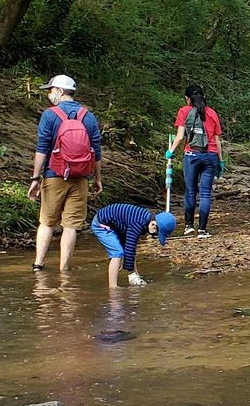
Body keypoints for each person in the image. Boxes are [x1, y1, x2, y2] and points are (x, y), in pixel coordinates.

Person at [27, 75, 103, 273]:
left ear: (60, 91)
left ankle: (38, 265)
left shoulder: (50, 115)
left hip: (54, 174)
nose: (49, 94)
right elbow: (96, 151)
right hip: (81, 177)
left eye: (51, 90)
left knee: (46, 222)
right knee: (70, 226)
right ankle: (64, 270)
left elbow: (42, 148)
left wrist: (35, 178)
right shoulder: (88, 116)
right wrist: (97, 179)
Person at [168, 83, 224, 237]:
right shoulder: (212, 113)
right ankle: (203, 230)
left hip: (191, 155)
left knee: (190, 191)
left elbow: (180, 137)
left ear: (187, 98)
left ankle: (188, 226)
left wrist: (170, 152)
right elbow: (217, 140)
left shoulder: (184, 111)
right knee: (205, 193)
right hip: (210, 155)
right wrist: (220, 161)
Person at [89, 202, 177, 288]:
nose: (155, 235)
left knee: (129, 250)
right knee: (117, 253)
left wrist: (134, 274)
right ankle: (113, 288)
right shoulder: (137, 224)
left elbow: (131, 247)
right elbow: (129, 248)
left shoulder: (145, 219)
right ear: (153, 224)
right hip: (101, 225)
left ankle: (135, 275)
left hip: (117, 225)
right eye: (157, 233)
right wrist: (130, 272)